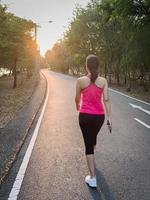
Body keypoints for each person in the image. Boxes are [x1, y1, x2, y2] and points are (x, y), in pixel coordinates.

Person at [75, 54, 112, 188]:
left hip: (85, 116)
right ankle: (92, 162)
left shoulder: (80, 80)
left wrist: (77, 105)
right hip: (99, 117)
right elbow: (106, 100)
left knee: (88, 146)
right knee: (92, 136)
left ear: (86, 66)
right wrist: (109, 118)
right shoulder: (103, 81)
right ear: (98, 66)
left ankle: (92, 178)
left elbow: (77, 97)